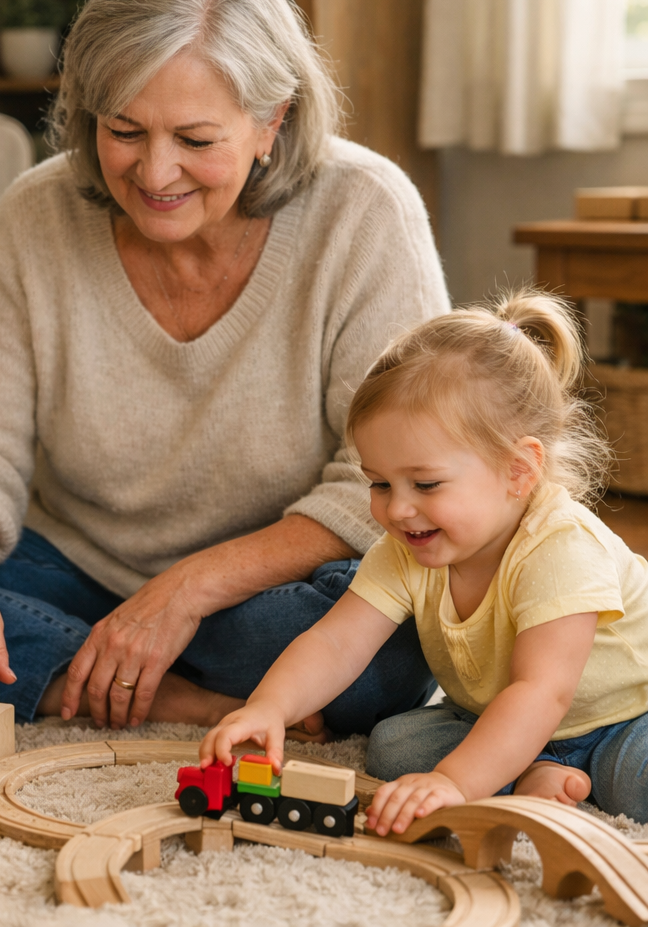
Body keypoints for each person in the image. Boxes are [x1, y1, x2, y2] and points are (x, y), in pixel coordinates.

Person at [0, 0, 450, 733]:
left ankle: (69, 670)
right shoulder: (33, 215)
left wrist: (187, 591)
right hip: (77, 571)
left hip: (263, 593)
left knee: (390, 640)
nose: (154, 174)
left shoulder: (365, 211)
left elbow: (387, 483)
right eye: (124, 130)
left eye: (195, 140)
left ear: (272, 122)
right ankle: (176, 695)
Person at [201, 288, 648, 832]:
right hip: (498, 715)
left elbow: (542, 691)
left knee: (636, 784)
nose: (397, 509)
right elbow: (335, 643)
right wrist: (268, 707)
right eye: (380, 483)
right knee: (396, 748)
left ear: (518, 471)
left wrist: (454, 783)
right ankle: (534, 769)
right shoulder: (408, 549)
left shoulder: (561, 548)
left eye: (426, 484)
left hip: (624, 717)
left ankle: (531, 770)